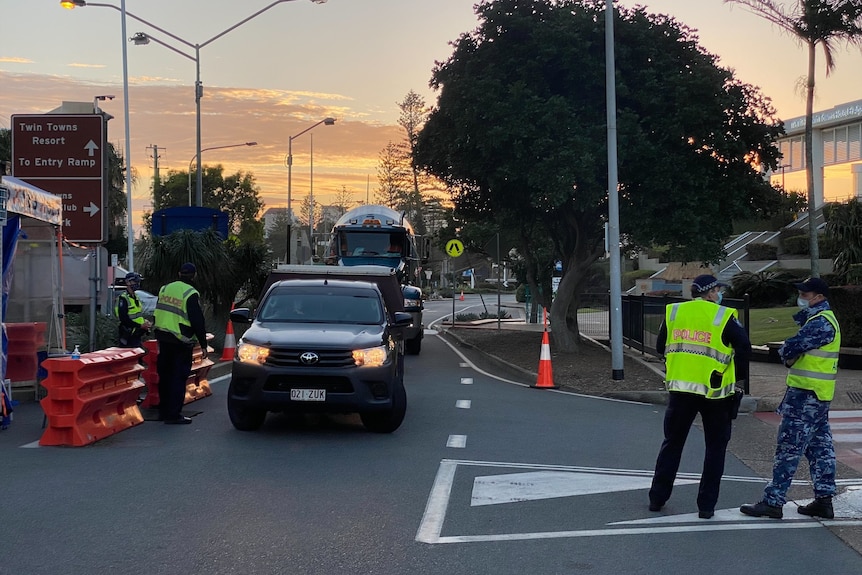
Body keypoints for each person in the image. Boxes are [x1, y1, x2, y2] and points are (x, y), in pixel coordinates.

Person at [649, 274, 751, 519]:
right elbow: (744, 348)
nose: (719, 294)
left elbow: (660, 347)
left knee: (672, 444)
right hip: (716, 394)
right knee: (715, 448)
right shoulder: (723, 316)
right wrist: (735, 378)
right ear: (711, 292)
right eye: (718, 290)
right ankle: (706, 506)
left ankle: (657, 498)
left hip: (681, 390)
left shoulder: (674, 312)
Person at [740, 277, 840, 520]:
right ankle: (824, 500)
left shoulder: (820, 323)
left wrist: (789, 353)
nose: (801, 297)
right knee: (820, 448)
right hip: (816, 395)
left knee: (789, 447)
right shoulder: (820, 320)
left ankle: (773, 502)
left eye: (805, 294)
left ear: (819, 297)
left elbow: (788, 349)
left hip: (806, 396)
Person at [152, 262, 208, 425]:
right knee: (178, 377)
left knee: (165, 376)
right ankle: (173, 415)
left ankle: (163, 411)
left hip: (163, 337)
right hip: (180, 341)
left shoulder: (165, 288)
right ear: (194, 275)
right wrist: (203, 344)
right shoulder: (191, 293)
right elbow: (197, 320)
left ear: (179, 274)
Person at [115, 272, 152, 348]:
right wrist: (140, 325)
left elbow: (137, 315)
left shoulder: (136, 296)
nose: (137, 284)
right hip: (128, 335)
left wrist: (144, 322)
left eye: (138, 282)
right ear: (128, 282)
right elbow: (124, 319)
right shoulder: (123, 298)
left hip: (136, 334)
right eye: (135, 282)